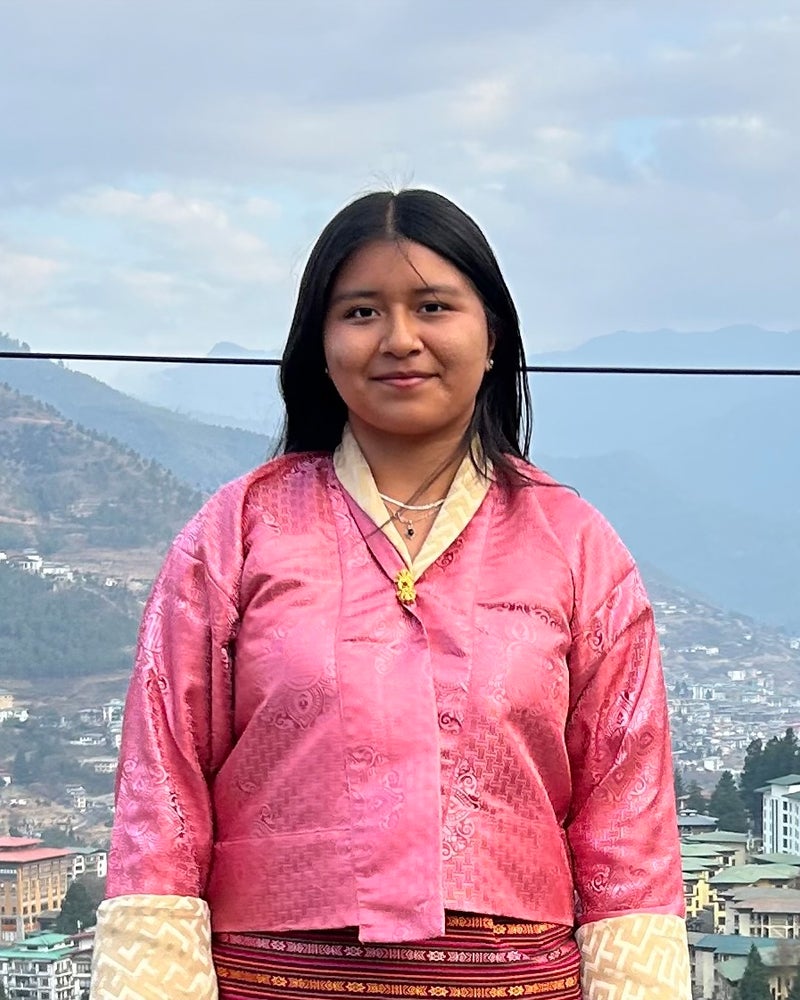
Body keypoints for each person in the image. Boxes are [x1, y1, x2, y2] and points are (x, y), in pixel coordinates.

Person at [90, 189, 691, 1000]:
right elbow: (162, 793)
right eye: (363, 310)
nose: (400, 339)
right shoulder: (236, 532)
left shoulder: (574, 543)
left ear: (492, 339)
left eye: (434, 306)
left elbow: (630, 818)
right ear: (321, 344)